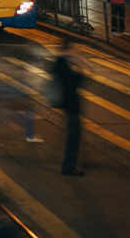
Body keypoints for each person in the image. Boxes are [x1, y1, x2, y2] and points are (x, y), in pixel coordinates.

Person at [51, 38, 85, 175]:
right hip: (71, 105)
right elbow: (74, 83)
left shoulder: (59, 63)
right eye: (73, 49)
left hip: (67, 104)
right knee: (73, 136)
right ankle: (68, 167)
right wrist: (81, 67)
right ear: (68, 50)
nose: (76, 51)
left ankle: (70, 165)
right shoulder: (64, 64)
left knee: (73, 135)